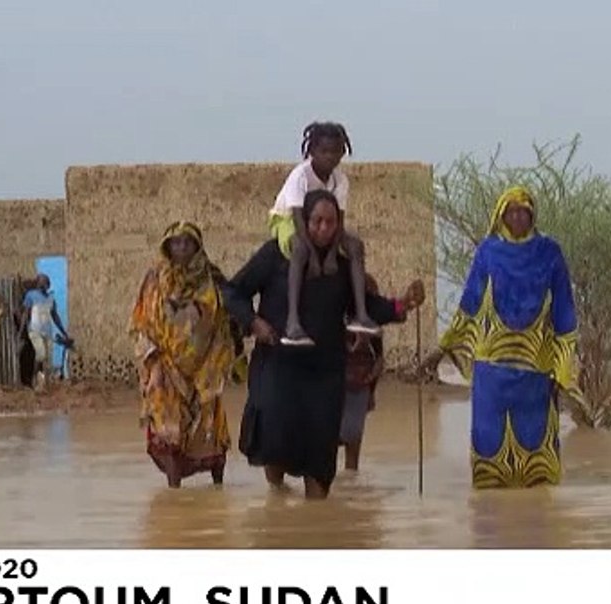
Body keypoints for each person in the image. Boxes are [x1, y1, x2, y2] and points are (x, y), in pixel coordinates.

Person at [225, 189, 426, 499]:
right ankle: (277, 505)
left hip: (324, 374)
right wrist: (252, 322)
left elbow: (368, 306)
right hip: (279, 366)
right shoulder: (276, 255)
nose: (323, 229)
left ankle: (320, 528)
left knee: (320, 460)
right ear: (304, 223)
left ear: (338, 225)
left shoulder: (343, 266)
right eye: (316, 221)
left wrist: (403, 306)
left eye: (330, 222)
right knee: (275, 445)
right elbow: (233, 292)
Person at [437, 186, 586, 489]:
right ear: (501, 215)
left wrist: (562, 366)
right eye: (512, 211)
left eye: (524, 211)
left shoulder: (549, 252)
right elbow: (470, 304)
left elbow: (564, 311)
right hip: (491, 368)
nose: (518, 217)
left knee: (536, 451)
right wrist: (442, 347)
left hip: (537, 367)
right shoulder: (489, 251)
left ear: (533, 215)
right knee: (489, 448)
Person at [129, 221, 244, 488]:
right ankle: (174, 489)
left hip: (205, 366)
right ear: (167, 246)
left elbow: (227, 314)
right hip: (166, 367)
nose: (181, 247)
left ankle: (218, 487)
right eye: (176, 242)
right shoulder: (154, 279)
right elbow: (140, 319)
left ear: (197, 246)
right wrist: (151, 356)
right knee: (168, 429)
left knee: (208, 429)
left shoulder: (211, 277)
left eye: (187, 242)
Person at [268, 121, 377, 347]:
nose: (330, 156)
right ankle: (293, 321)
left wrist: (330, 256)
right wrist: (315, 258)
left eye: (336, 151)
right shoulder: (301, 176)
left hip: (325, 224)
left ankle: (361, 314)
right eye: (324, 151)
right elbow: (298, 218)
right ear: (312, 151)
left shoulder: (340, 180)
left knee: (355, 247)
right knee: (299, 248)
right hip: (289, 219)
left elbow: (339, 220)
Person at [339, 273, 385, 472]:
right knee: (333, 443)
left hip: (360, 386)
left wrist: (371, 388)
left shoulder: (372, 324)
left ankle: (349, 488)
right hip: (337, 386)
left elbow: (379, 358)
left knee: (353, 441)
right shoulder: (335, 319)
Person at [22, 274, 69, 390]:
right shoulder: (31, 295)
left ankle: (44, 383)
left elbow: (55, 316)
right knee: (41, 354)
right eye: (41, 282)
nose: (44, 285)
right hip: (34, 331)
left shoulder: (50, 298)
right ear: (37, 284)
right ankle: (34, 379)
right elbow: (25, 314)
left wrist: (63, 332)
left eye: (46, 283)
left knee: (47, 359)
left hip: (47, 332)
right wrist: (20, 331)